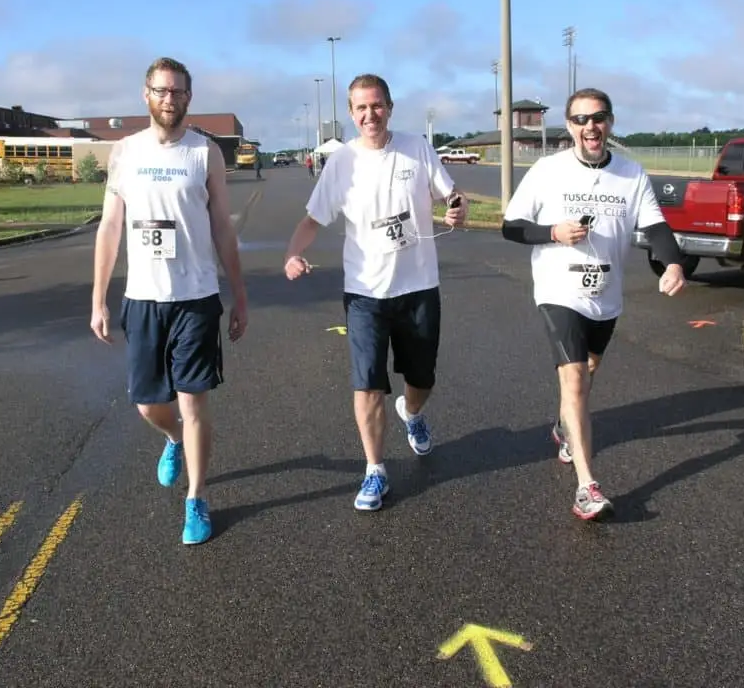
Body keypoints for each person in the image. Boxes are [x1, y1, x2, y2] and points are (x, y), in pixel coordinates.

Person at [283, 73, 468, 512]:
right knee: (367, 384)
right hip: (364, 292)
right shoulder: (341, 163)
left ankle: (414, 413)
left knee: (421, 379)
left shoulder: (417, 148)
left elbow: (451, 195)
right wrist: (292, 254)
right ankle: (375, 470)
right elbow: (313, 219)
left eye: (377, 105)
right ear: (351, 114)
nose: (370, 114)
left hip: (418, 286)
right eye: (361, 108)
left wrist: (457, 208)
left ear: (390, 106)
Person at [501, 87, 686, 521]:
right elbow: (510, 226)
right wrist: (552, 233)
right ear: (569, 126)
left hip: (606, 297)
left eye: (599, 117)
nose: (591, 127)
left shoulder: (631, 174)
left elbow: (657, 230)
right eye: (581, 119)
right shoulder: (548, 171)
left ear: (611, 122)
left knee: (588, 372)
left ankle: (564, 426)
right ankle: (587, 486)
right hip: (557, 291)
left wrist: (673, 266)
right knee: (575, 381)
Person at [90, 57, 249, 545]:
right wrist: (98, 299)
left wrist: (239, 295)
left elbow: (223, 226)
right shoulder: (125, 153)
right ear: (146, 95)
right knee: (146, 404)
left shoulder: (205, 153)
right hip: (143, 299)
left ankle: (196, 500)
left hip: (196, 298)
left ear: (188, 98)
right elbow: (110, 227)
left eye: (178, 92)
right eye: (161, 90)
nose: (169, 99)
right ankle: (173, 438)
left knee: (194, 403)